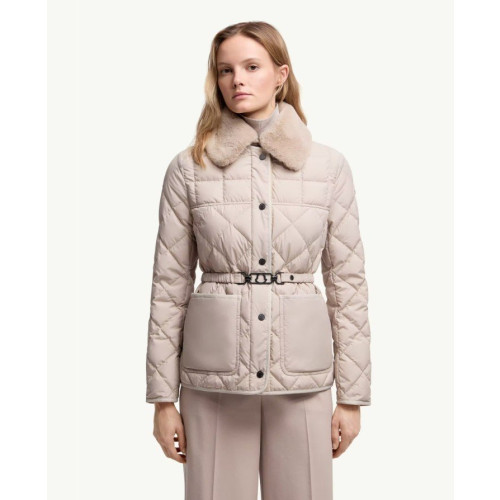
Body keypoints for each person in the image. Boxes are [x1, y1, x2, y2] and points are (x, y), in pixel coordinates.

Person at [145, 21, 372, 500]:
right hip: (213, 378)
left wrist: (352, 397)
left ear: (280, 75)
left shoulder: (328, 167)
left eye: (251, 67)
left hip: (302, 378)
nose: (237, 80)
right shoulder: (190, 168)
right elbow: (168, 287)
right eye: (225, 70)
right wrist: (163, 400)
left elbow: (347, 285)